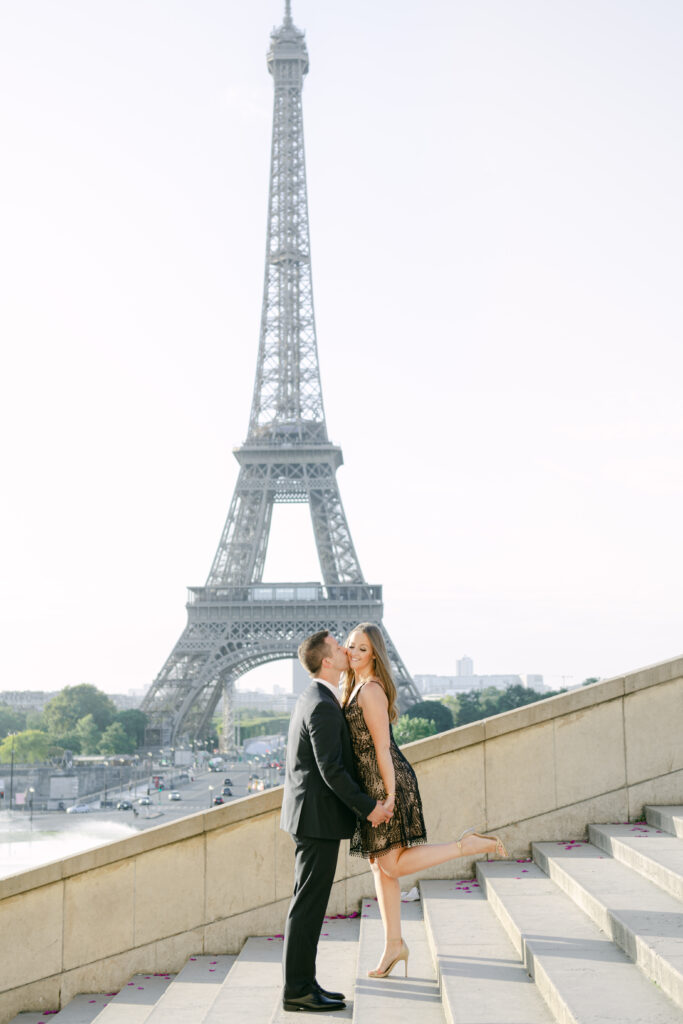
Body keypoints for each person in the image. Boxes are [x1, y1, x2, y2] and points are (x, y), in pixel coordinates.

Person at [342, 622, 508, 979]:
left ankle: (465, 846)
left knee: (393, 865)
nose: (353, 653)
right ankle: (393, 945)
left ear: (375, 655)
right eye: (350, 646)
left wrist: (389, 796)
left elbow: (382, 748)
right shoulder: (356, 686)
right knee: (380, 867)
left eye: (362, 649)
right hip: (373, 784)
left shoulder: (369, 690)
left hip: (385, 783)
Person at [280, 629, 392, 1013]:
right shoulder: (323, 704)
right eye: (339, 648)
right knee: (308, 906)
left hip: (310, 818)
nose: (347, 650)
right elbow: (331, 770)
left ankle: (304, 983)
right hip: (316, 820)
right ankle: (297, 989)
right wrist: (370, 807)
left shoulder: (314, 697)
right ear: (327, 660)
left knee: (307, 904)